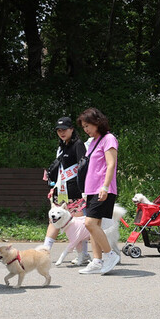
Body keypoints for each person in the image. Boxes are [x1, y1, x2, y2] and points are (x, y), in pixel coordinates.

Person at [77, 107, 122, 275]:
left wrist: (105, 186)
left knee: (89, 223)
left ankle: (110, 255)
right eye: (84, 127)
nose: (86, 129)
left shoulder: (109, 139)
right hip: (91, 189)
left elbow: (111, 164)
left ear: (97, 122)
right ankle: (97, 261)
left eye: (88, 125)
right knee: (93, 226)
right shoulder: (95, 141)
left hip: (102, 189)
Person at [41, 116, 89, 263]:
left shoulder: (78, 144)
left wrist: (84, 188)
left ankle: (83, 255)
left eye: (65, 130)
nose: (61, 133)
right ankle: (45, 250)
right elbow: (60, 170)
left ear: (72, 130)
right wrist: (53, 186)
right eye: (59, 130)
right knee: (54, 220)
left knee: (78, 224)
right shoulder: (61, 147)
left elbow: (83, 165)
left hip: (75, 191)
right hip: (60, 191)